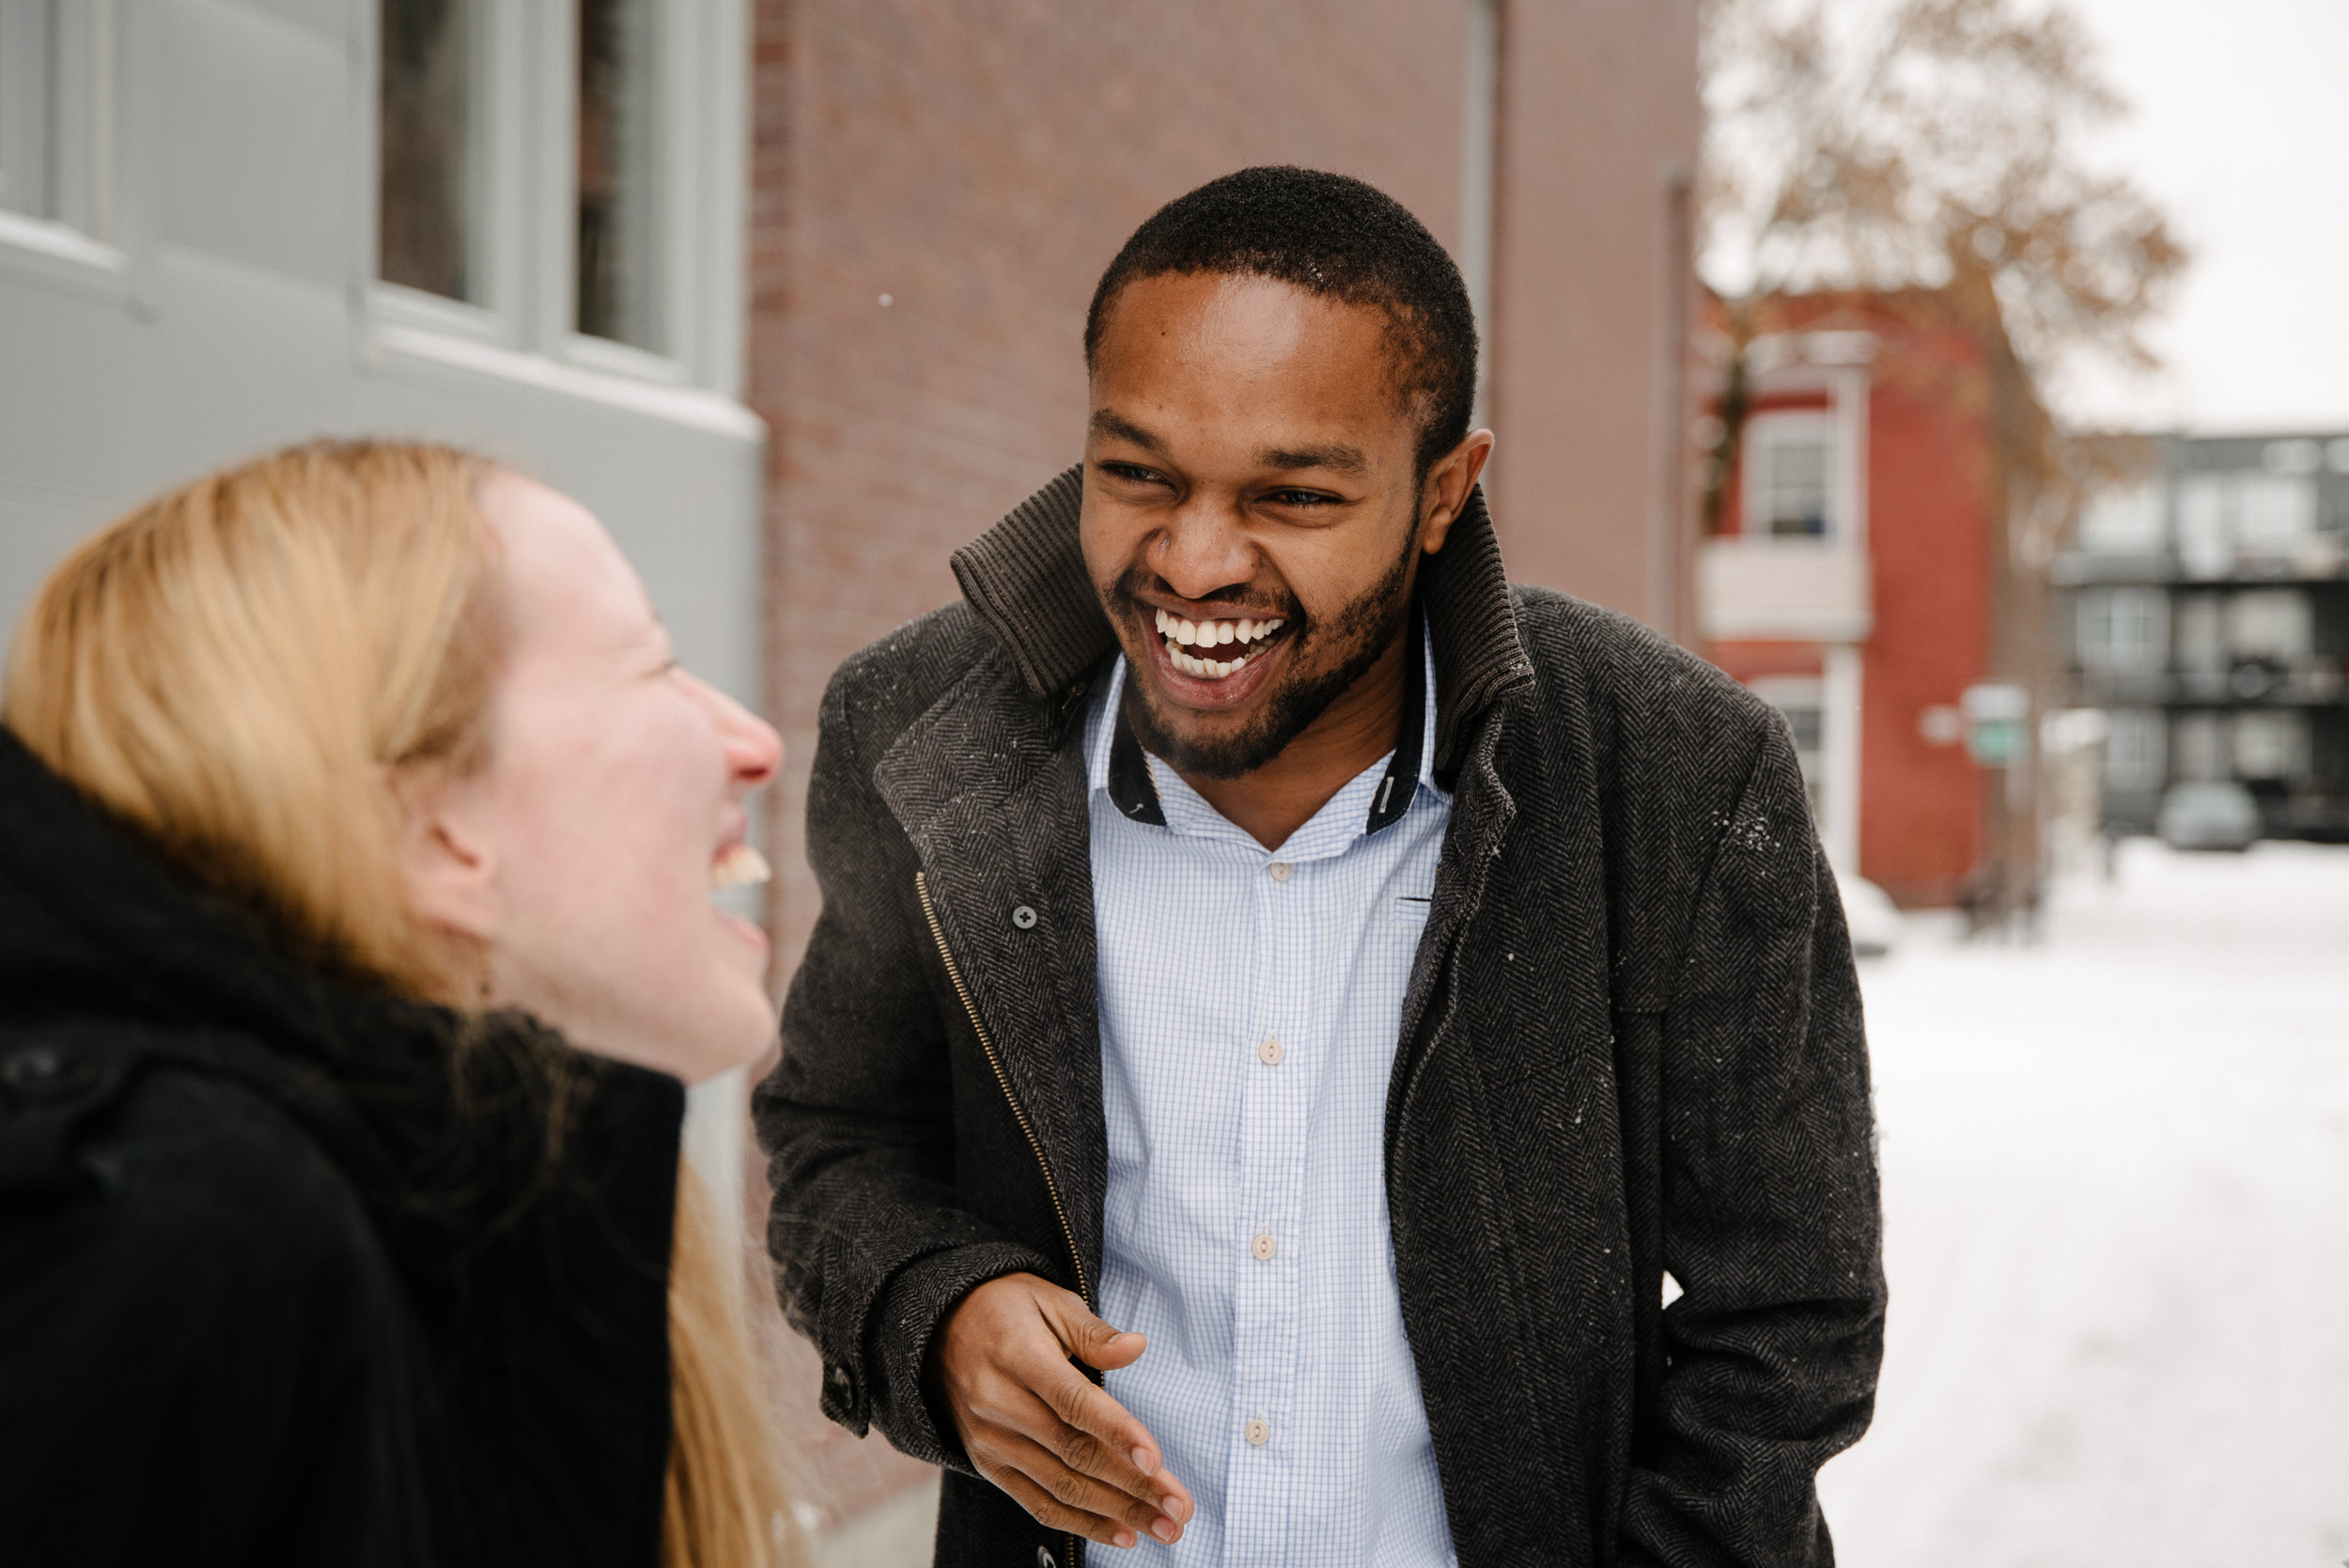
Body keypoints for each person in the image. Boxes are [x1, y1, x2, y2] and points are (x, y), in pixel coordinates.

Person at [759, 166, 1885, 1568]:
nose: (1197, 560)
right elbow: (835, 1141)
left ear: (1441, 492)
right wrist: (935, 1311)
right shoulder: (915, 734)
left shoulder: (1673, 773)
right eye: (1137, 475)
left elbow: (1790, 1316)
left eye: (1291, 494)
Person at [0, 442, 797, 1567]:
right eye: (653, 666)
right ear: (433, 828)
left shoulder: (507, 1212)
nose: (755, 746)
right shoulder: (164, 1246)